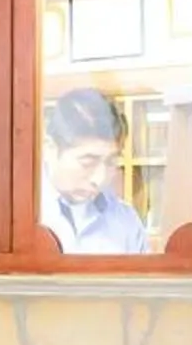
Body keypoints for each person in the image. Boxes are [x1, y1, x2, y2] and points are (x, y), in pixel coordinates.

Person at [39, 87, 150, 255]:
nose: (99, 179)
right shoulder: (12, 219)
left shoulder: (126, 222)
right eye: (88, 162)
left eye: (111, 162)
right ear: (50, 149)